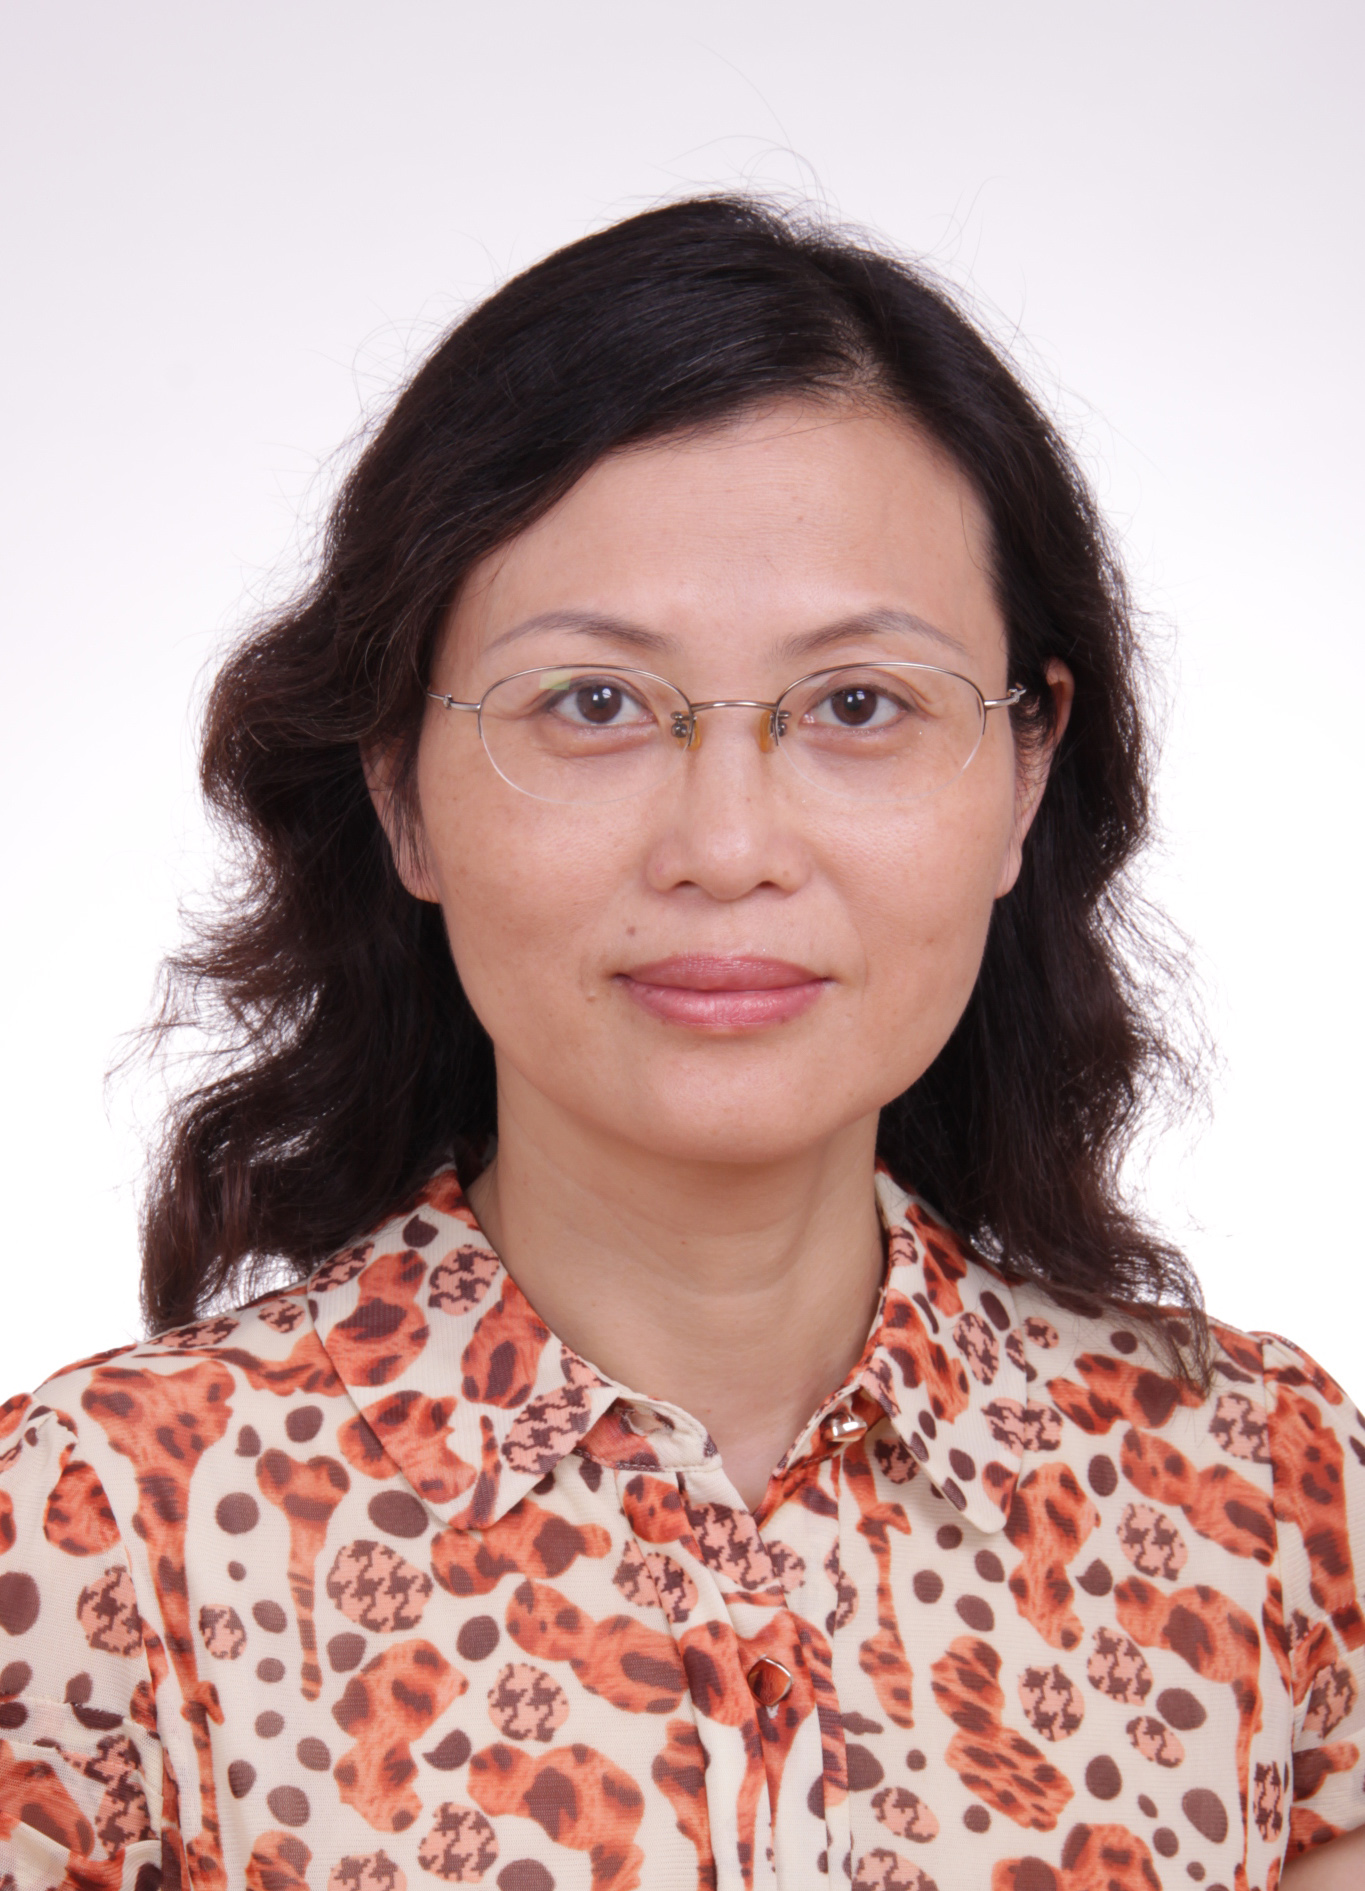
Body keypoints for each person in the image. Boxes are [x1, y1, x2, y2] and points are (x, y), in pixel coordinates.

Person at [0, 198, 1357, 1891]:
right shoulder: (98, 1540)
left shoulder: (1265, 1503)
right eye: (593, 704)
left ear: (1023, 775)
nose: (727, 846)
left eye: (858, 704)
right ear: (398, 789)